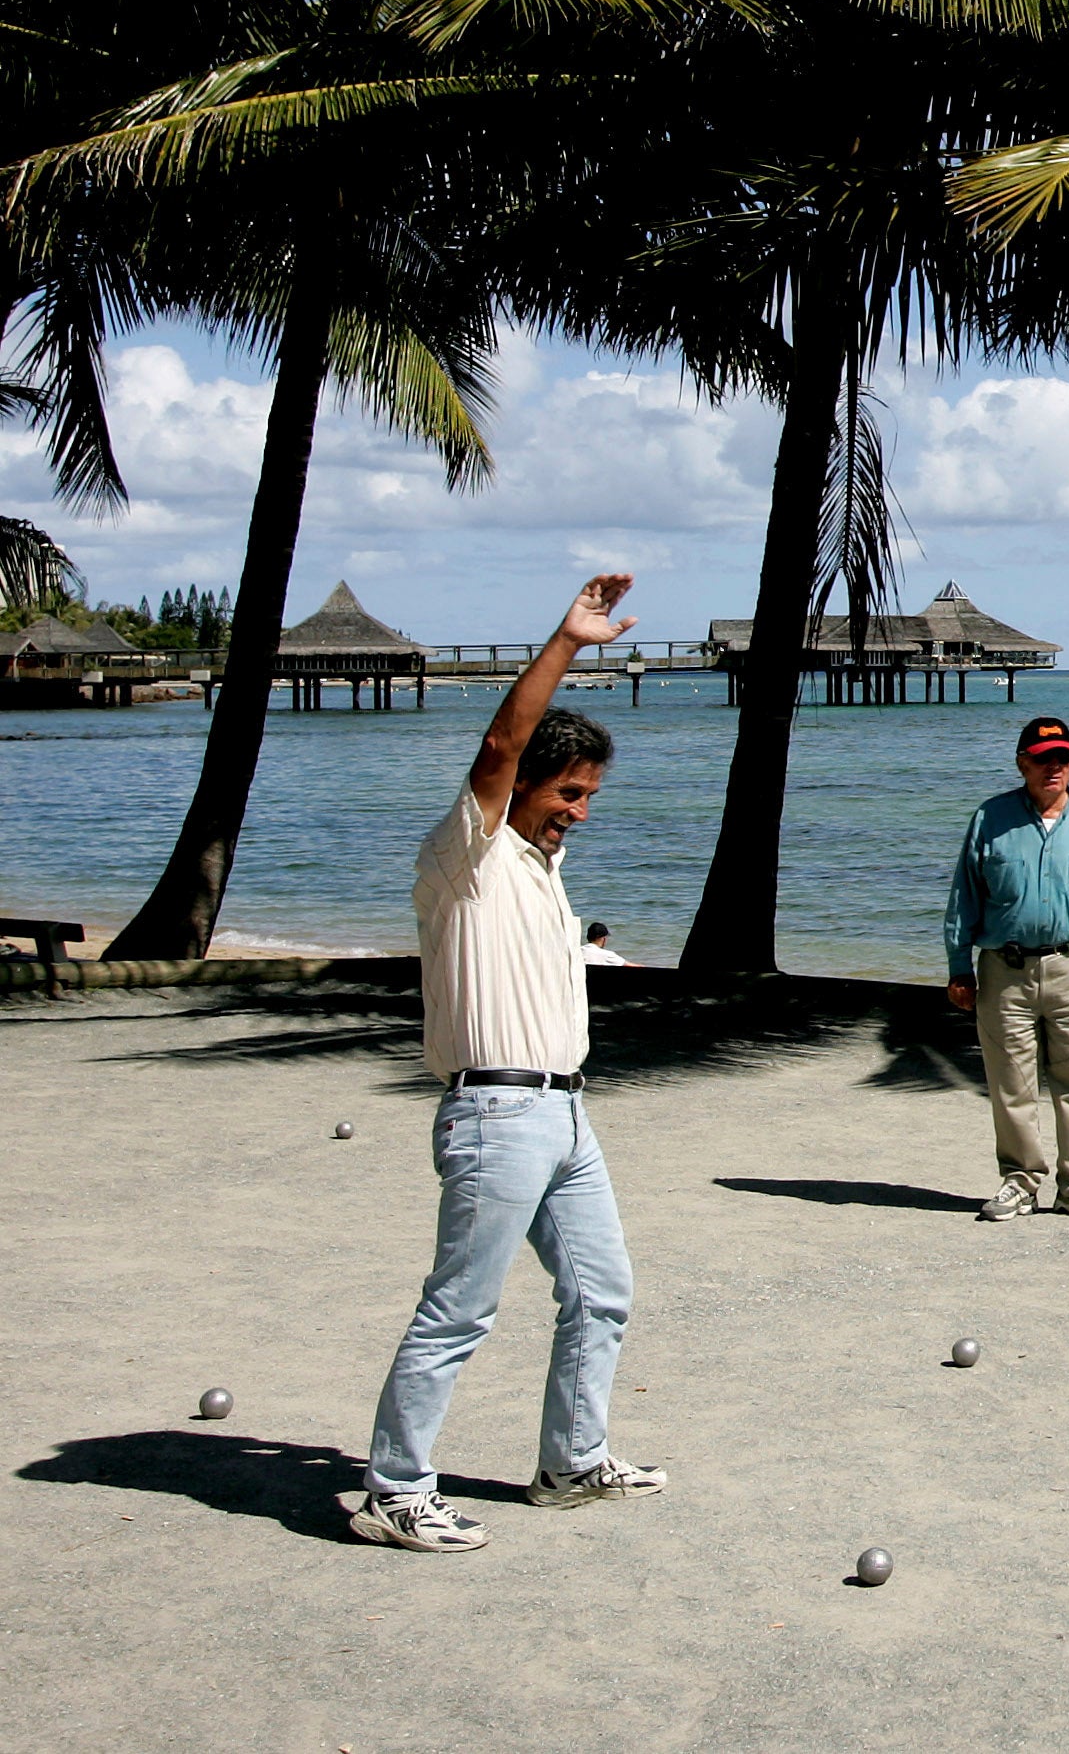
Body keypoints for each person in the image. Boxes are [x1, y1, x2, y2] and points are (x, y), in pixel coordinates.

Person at [353, 573, 663, 1553]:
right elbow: (497, 745)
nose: (580, 809)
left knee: (603, 1288)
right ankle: (395, 1490)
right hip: (493, 1113)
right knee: (460, 1308)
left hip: (565, 1114)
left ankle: (570, 1463)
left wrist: (559, 815)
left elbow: (536, 800)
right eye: (568, 791)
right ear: (520, 783)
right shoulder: (465, 857)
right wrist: (569, 640)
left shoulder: (538, 867)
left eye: (588, 795)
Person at [944, 714, 1069, 1222]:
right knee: (1011, 1084)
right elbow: (964, 897)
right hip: (1004, 972)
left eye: (1064, 758)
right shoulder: (990, 819)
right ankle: (1019, 1182)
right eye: (1043, 757)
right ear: (1022, 762)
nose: (1055, 766)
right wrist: (958, 967)